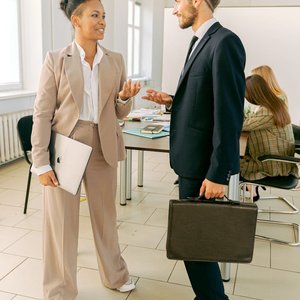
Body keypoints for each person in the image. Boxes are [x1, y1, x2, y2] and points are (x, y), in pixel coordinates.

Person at [31, 0, 141, 299]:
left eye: (104, 16)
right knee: (62, 221)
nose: (102, 21)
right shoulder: (56, 59)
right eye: (95, 15)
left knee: (106, 215)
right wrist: (40, 162)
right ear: (75, 20)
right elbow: (42, 113)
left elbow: (119, 113)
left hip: (103, 141)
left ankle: (115, 276)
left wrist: (123, 99)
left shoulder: (115, 59)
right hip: (67, 141)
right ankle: (60, 289)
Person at [142, 0, 245, 299]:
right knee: (194, 245)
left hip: (203, 167)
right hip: (190, 161)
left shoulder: (225, 42)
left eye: (177, 2)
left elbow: (228, 114)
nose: (174, 9)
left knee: (193, 245)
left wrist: (219, 173)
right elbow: (205, 100)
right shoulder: (198, 41)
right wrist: (173, 101)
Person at [240, 75, 297, 188]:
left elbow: (243, 125)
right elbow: (251, 118)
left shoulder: (267, 112)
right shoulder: (276, 103)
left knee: (229, 164)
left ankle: (233, 197)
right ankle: (248, 192)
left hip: (272, 165)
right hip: (281, 162)